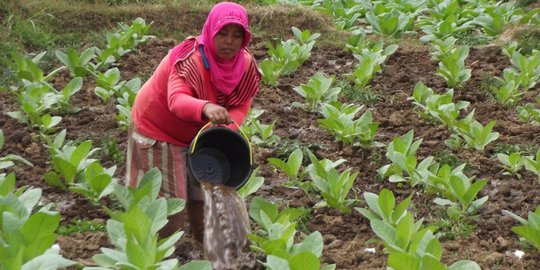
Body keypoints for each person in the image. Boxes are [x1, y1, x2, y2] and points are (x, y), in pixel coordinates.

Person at [125, 1, 261, 242]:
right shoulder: (190, 60)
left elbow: (242, 102)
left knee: (205, 197)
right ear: (210, 32)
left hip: (199, 133)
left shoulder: (245, 64)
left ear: (245, 39)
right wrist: (206, 107)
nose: (229, 41)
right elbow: (176, 100)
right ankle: (158, 255)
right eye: (223, 33)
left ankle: (205, 249)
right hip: (158, 130)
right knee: (170, 208)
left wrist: (227, 127)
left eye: (237, 35)